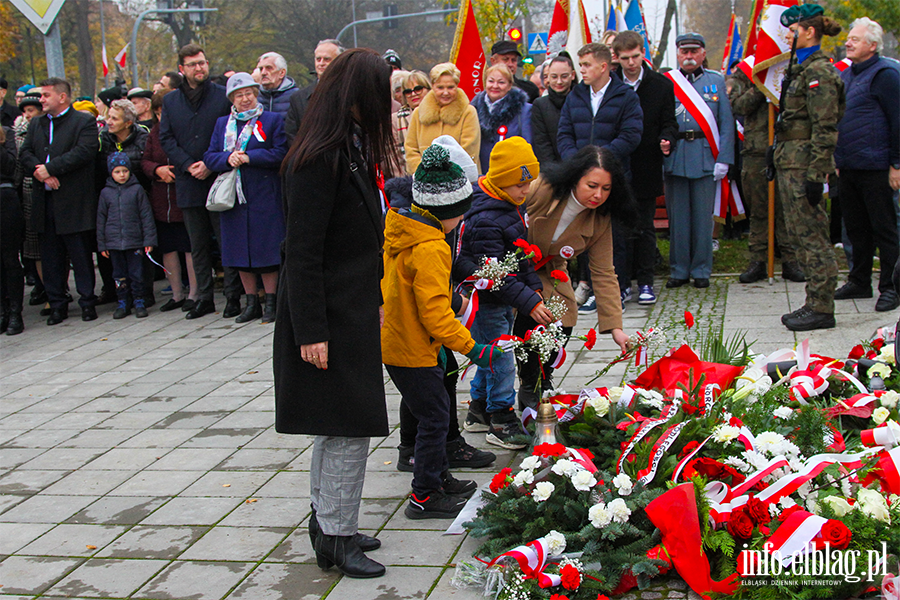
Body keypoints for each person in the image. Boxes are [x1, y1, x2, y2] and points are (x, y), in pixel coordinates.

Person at [274, 48, 396, 580]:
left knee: (338, 426)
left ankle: (329, 524)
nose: (388, 106)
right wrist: (312, 332)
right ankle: (338, 538)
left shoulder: (343, 146)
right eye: (383, 94)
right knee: (347, 428)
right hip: (327, 319)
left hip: (349, 310)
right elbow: (300, 252)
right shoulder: (317, 159)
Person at [382, 143, 500, 520]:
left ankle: (438, 474)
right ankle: (425, 495)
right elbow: (434, 313)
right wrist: (474, 348)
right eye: (462, 212)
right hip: (413, 347)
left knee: (434, 410)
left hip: (401, 341)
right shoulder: (431, 247)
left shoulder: (405, 227)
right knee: (434, 417)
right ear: (451, 211)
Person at [520, 145, 632, 404]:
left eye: (606, 189)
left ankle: (542, 378)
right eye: (592, 185)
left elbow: (604, 271)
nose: (598, 195)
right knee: (530, 315)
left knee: (566, 315)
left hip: (551, 270)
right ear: (575, 178)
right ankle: (528, 384)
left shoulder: (600, 218)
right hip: (515, 263)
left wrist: (615, 328)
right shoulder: (543, 188)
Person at [454, 137, 545, 450]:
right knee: (501, 359)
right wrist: (529, 301)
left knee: (489, 356)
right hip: (486, 303)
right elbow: (497, 276)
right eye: (519, 185)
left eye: (529, 183)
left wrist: (534, 289)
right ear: (500, 181)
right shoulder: (485, 219)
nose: (526, 190)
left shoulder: (509, 208)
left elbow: (522, 256)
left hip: (504, 301)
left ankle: (478, 409)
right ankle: (501, 418)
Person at [159, 43, 241, 320]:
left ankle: (233, 295)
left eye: (203, 62)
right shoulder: (171, 101)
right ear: (182, 69)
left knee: (226, 239)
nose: (200, 68)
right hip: (188, 179)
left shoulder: (221, 96)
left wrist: (209, 162)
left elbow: (231, 133)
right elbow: (166, 138)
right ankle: (204, 297)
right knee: (198, 243)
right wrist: (186, 164)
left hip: (218, 176)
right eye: (193, 64)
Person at [775, 5, 843, 331]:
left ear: (809, 32)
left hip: (805, 169)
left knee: (814, 237)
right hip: (790, 163)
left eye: (793, 29)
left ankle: (822, 306)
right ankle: (813, 301)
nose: (788, 35)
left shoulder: (820, 73)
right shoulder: (800, 69)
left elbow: (825, 128)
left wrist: (818, 174)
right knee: (801, 237)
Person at [204, 73, 288, 324]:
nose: (245, 99)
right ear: (232, 98)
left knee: (267, 250)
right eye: (239, 95)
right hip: (234, 200)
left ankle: (271, 301)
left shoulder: (272, 120)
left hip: (263, 195)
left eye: (249, 93)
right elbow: (209, 155)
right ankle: (250, 302)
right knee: (238, 251)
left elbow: (281, 153)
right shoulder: (223, 124)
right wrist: (226, 159)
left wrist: (251, 157)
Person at [20, 78, 100, 325]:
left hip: (73, 200)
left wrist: (51, 169)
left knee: (80, 254)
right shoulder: (37, 124)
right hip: (45, 201)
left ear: (62, 97)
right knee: (51, 256)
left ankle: (87, 301)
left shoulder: (83, 122)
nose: (40, 100)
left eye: (45, 95)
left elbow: (84, 151)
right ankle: (57, 304)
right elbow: (25, 152)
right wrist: (38, 170)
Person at [833, 17, 900, 313]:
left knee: (884, 229)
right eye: (849, 38)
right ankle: (859, 280)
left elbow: (897, 121)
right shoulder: (848, 74)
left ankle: (892, 287)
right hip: (849, 165)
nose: (848, 42)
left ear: (872, 46)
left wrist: (896, 164)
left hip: (877, 165)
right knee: (856, 228)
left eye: (855, 39)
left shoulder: (886, 74)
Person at [663, 33, 734, 290]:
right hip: (676, 156)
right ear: (678, 54)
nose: (689, 56)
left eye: (694, 51)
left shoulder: (715, 81)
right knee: (679, 220)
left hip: (706, 156)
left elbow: (726, 124)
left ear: (703, 53)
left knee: (703, 219)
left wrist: (724, 158)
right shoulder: (668, 82)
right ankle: (679, 270)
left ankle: (702, 269)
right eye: (684, 52)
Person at [612, 31, 678, 306]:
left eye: (635, 56)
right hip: (617, 166)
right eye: (625, 58)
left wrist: (667, 140)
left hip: (647, 165)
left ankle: (647, 281)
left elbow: (669, 122)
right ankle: (623, 283)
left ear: (644, 53)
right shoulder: (611, 85)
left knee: (645, 227)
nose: (631, 63)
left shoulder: (660, 85)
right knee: (620, 229)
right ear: (616, 58)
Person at [730, 67, 805, 284]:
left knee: (786, 209)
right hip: (756, 151)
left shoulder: (792, 66)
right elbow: (738, 105)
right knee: (759, 210)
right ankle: (758, 261)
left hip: (787, 147)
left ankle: (791, 261)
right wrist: (761, 88)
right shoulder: (746, 72)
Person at [142, 90, 197, 314]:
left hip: (181, 196)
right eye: (157, 113)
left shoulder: (183, 130)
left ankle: (194, 292)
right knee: (168, 248)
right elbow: (144, 160)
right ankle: (176, 293)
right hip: (160, 200)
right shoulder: (153, 134)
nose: (162, 117)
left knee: (189, 247)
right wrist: (156, 170)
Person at [97, 152, 157, 319]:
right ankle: (123, 301)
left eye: (125, 171)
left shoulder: (137, 190)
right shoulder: (105, 193)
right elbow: (101, 219)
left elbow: (146, 216)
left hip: (135, 241)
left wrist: (149, 240)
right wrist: (102, 244)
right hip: (114, 243)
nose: (122, 175)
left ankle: (139, 300)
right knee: (119, 274)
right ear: (111, 173)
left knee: (137, 273)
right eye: (117, 171)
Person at [404, 63, 480, 175]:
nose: (445, 92)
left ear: (457, 86)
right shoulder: (418, 113)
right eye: (440, 87)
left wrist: (444, 177)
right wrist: (424, 174)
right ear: (432, 86)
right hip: (424, 182)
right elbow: (411, 149)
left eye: (450, 87)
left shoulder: (468, 112)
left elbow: (468, 150)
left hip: (460, 181)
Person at [471, 64, 533, 175]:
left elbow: (527, 145)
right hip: (482, 176)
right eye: (491, 81)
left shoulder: (524, 110)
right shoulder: (473, 110)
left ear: (509, 86)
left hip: (512, 175)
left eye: (501, 82)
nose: (495, 86)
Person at [14, 92, 44, 311]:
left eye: (31, 111)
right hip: (25, 189)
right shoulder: (19, 133)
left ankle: (54, 289)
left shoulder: (45, 130)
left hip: (46, 185)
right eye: (24, 112)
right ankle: (40, 285)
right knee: (32, 246)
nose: (27, 116)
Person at [284, 39, 344, 140]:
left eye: (327, 59)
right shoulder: (298, 99)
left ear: (340, 62)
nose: (321, 63)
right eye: (318, 59)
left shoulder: (351, 93)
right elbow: (292, 135)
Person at [531, 52, 576, 165]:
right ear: (548, 78)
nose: (559, 81)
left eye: (564, 76)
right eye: (554, 77)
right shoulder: (540, 105)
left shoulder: (582, 101)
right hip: (553, 173)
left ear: (573, 75)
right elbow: (542, 143)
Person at [0, 122, 24, 334]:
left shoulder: (6, 134)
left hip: (5, 200)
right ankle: (2, 311)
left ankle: (16, 312)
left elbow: (10, 167)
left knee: (10, 258)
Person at [256, 52, 298, 117]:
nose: (263, 73)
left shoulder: (296, 97)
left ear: (282, 73)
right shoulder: (255, 96)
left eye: (269, 68)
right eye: (261, 69)